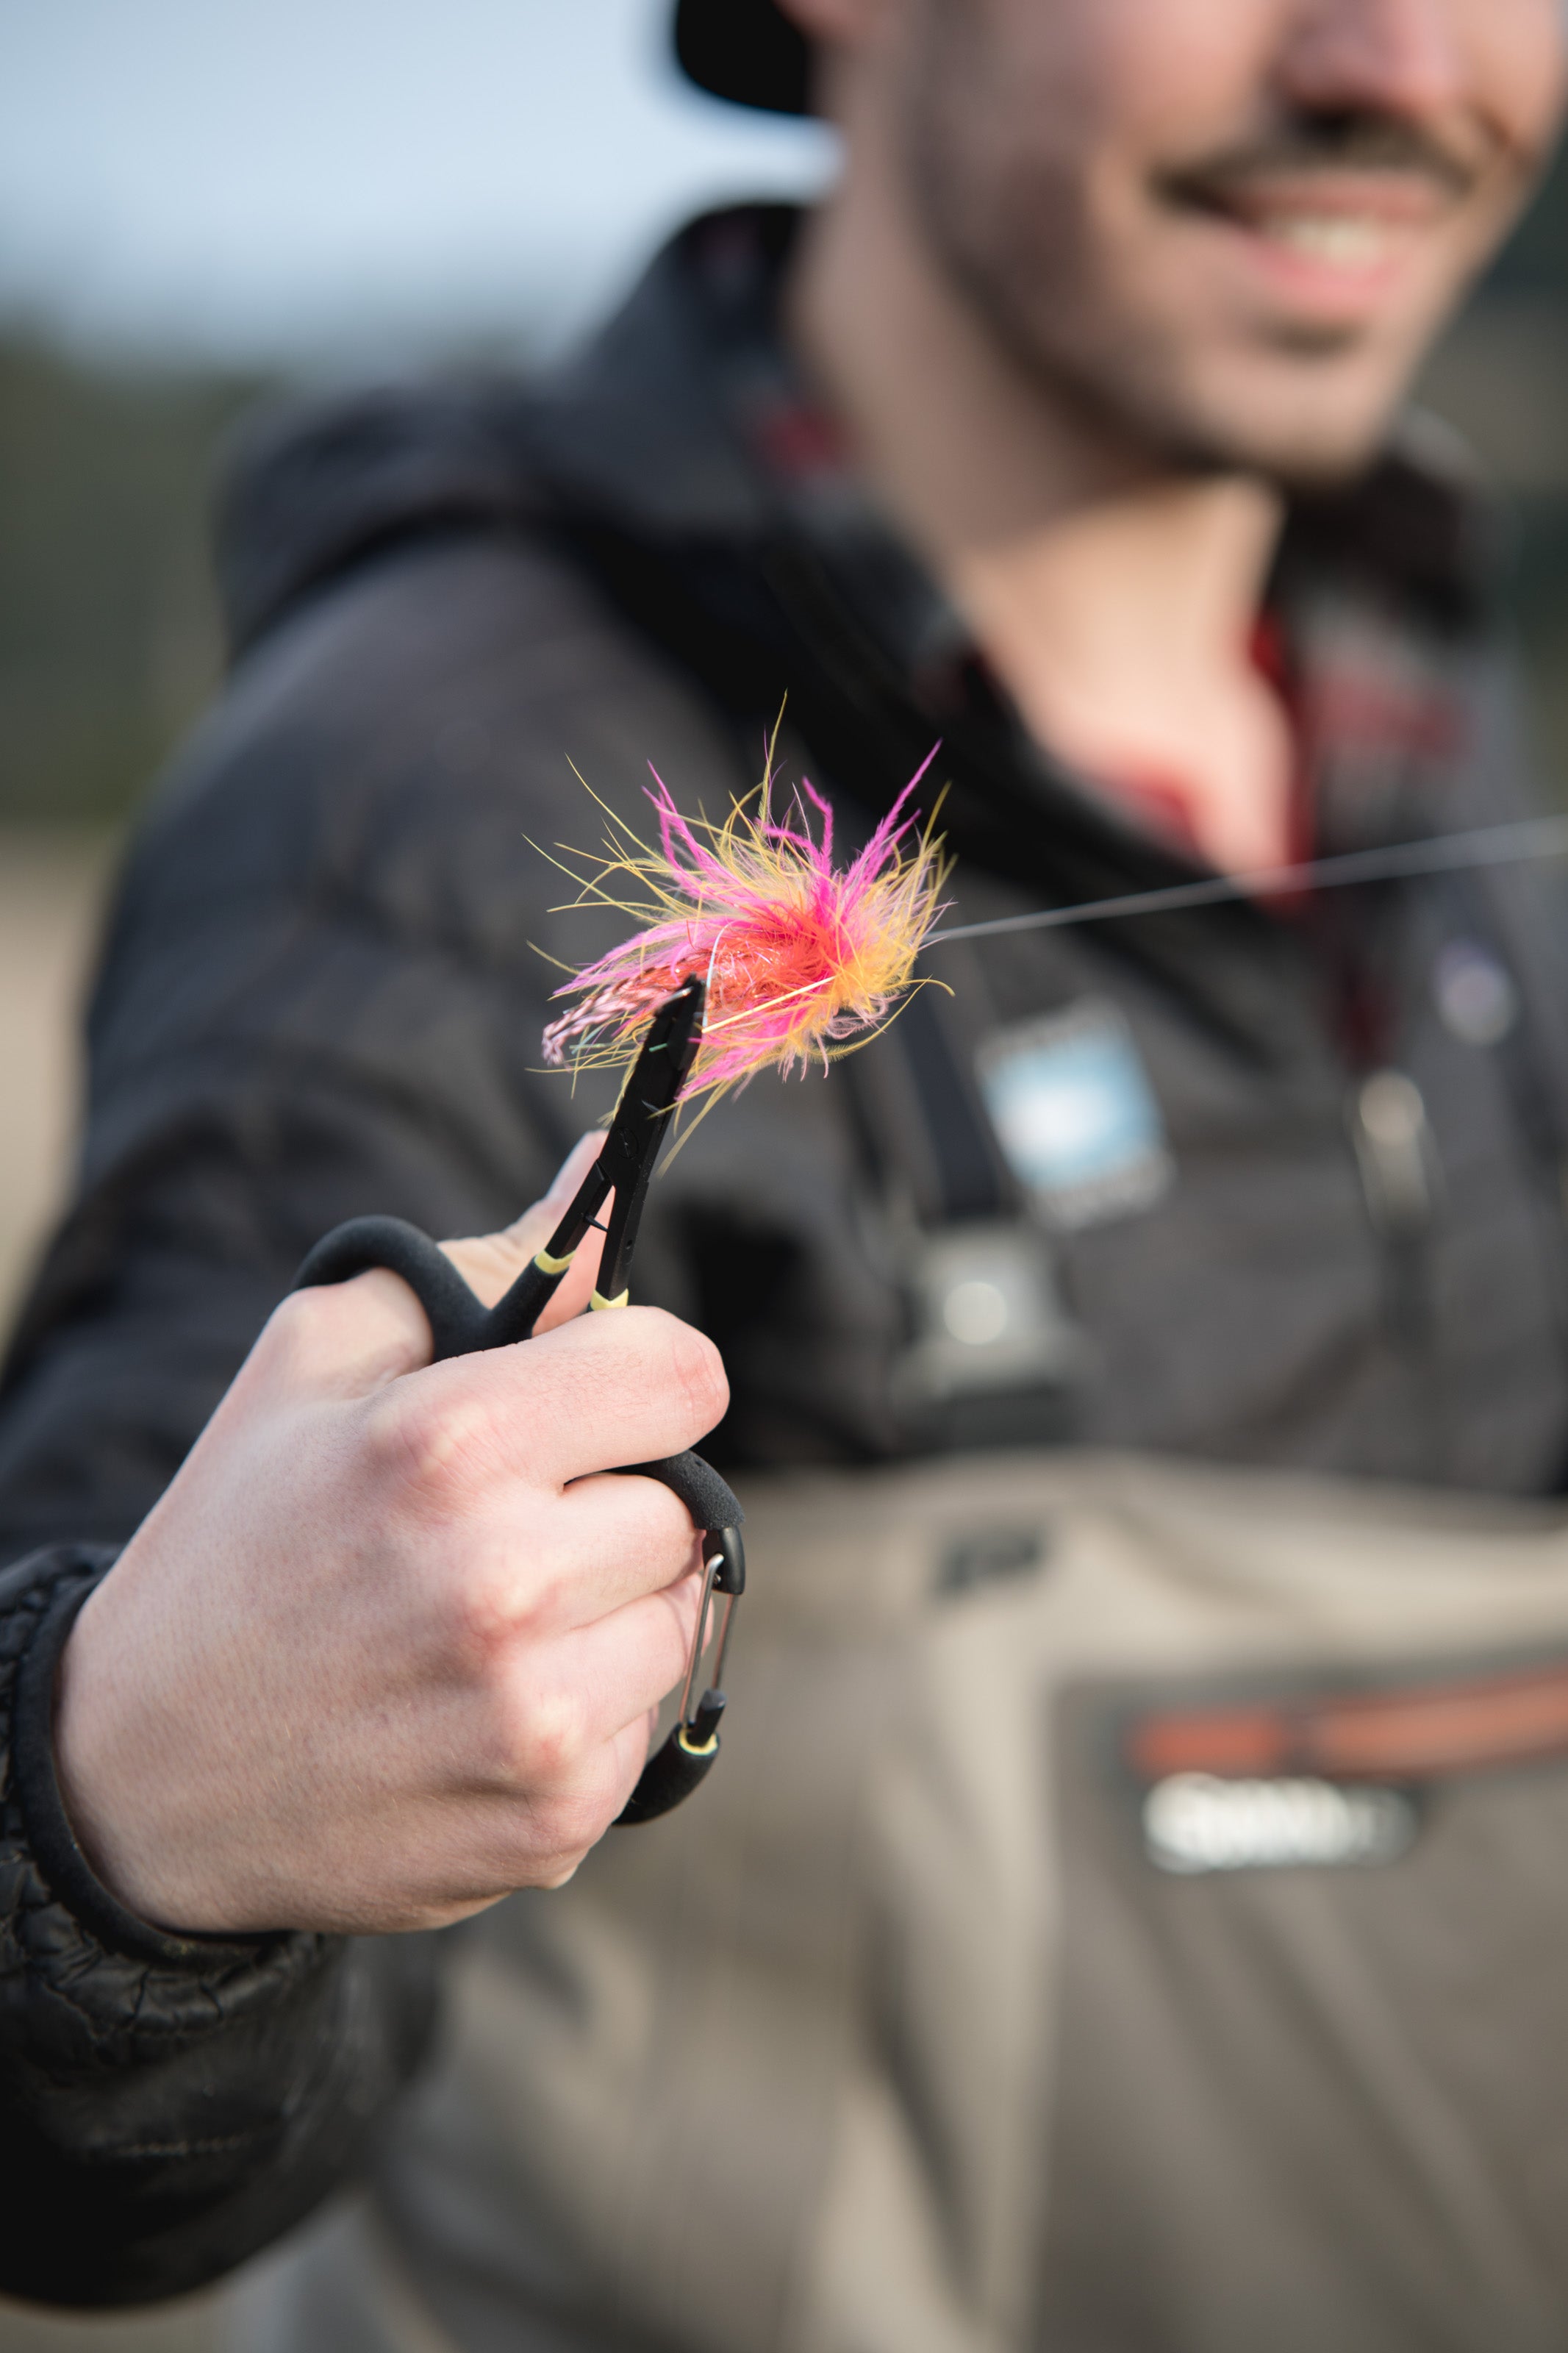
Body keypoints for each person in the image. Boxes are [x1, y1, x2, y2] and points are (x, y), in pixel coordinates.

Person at [4, 0, 1568, 2343]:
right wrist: (125, 1844)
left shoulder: (1448, 732)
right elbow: (84, 2141)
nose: (1400, 53)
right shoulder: (415, 805)